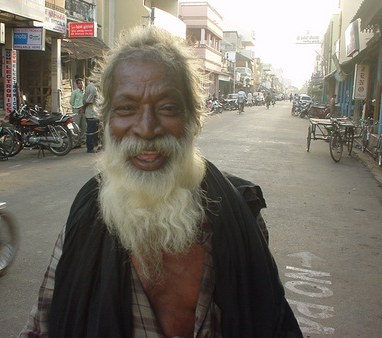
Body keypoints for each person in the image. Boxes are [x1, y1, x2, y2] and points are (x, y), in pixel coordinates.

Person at [20, 26, 302, 337]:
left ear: (193, 120)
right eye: (126, 109)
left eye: (167, 108)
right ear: (107, 122)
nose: (146, 128)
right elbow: (41, 327)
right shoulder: (87, 216)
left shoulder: (239, 215)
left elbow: (270, 320)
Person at [82, 78, 100, 153]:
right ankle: (90, 147)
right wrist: (83, 108)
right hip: (92, 113)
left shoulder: (88, 86)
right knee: (91, 131)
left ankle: (93, 145)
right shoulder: (93, 88)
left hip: (90, 112)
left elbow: (84, 99)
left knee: (92, 130)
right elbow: (89, 100)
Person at [69, 78, 87, 145]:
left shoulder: (85, 92)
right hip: (76, 110)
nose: (80, 84)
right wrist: (76, 107)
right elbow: (71, 101)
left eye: (81, 83)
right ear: (77, 84)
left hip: (84, 109)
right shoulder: (75, 92)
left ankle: (81, 140)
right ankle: (75, 141)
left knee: (83, 125)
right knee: (76, 125)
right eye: (79, 83)